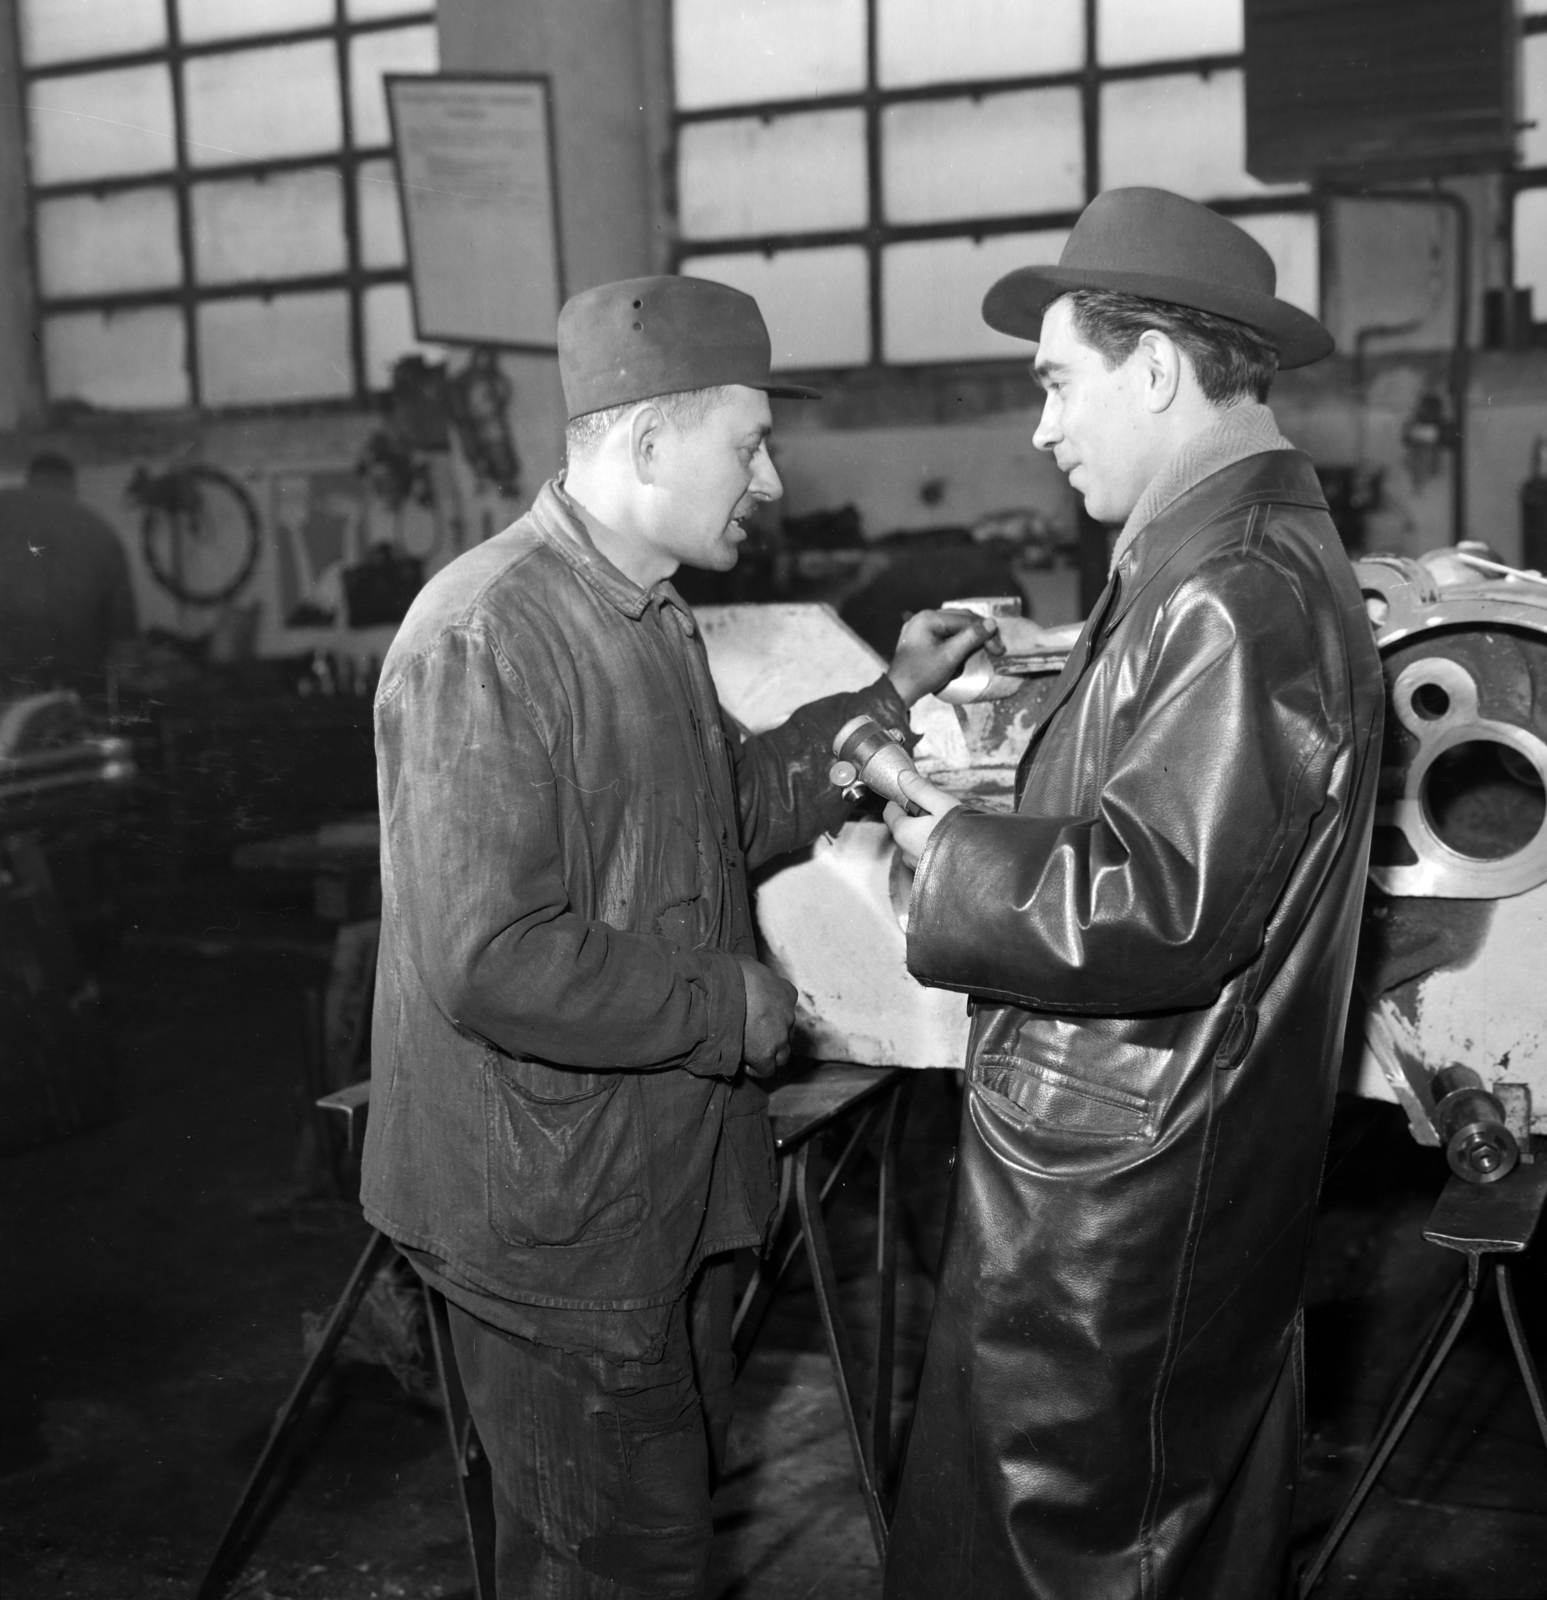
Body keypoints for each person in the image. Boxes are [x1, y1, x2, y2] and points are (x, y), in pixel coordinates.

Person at [358, 274, 993, 1598]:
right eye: (745, 444)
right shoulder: (486, 636)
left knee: (655, 1537)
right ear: (646, 444)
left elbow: (731, 807)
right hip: (553, 1226)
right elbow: (487, 956)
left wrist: (887, 700)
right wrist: (729, 1003)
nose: (766, 481)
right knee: (610, 1567)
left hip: (660, 1191)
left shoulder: (642, 621)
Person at [880, 188, 1385, 1599]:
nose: (1039, 427)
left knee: (1074, 1558)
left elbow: (1151, 904)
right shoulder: (1205, 561)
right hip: (1137, 1168)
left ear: (1154, 368)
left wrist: (949, 854)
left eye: (1054, 381)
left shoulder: (1230, 588)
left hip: (1125, 1208)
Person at [0, 452, 138, 699]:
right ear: (72, 485)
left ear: (30, 479)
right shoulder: (101, 531)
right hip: (68, 687)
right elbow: (123, 636)